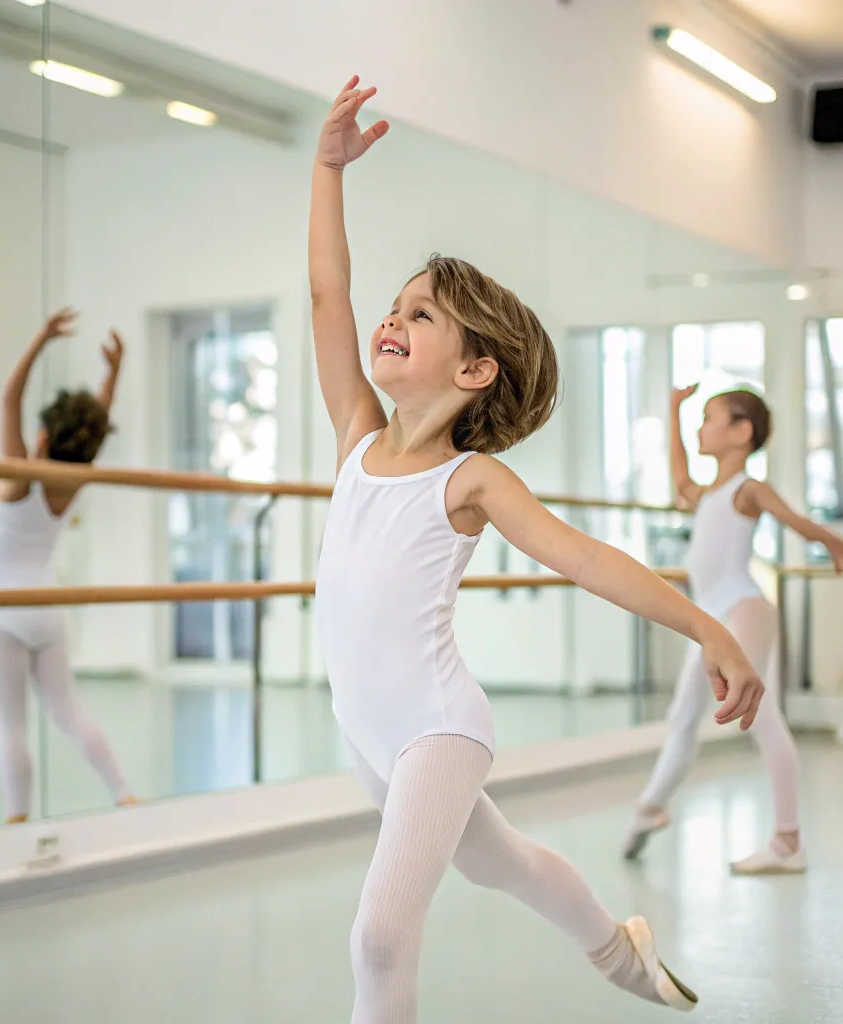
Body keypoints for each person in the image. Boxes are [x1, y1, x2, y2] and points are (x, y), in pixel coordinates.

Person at [310, 77, 766, 1021]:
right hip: (366, 729)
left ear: (476, 369)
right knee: (501, 863)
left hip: (437, 728)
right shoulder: (358, 434)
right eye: (395, 307)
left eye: (421, 315)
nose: (389, 320)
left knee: (379, 937)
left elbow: (589, 559)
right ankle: (617, 947)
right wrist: (327, 170)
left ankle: (613, 949)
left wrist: (708, 629)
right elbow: (327, 291)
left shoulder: (469, 482)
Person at [623, 384, 843, 874]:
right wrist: (675, 411)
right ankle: (651, 807)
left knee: (761, 716)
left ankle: (788, 842)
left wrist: (834, 543)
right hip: (710, 619)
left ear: (742, 432)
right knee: (683, 717)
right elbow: (680, 478)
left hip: (742, 608)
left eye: (709, 418)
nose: (703, 428)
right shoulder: (708, 494)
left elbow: (797, 521)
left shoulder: (749, 489)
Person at [0, 310, 134, 823]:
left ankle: (18, 818)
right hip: (49, 610)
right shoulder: (74, 477)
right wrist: (112, 375)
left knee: (11, 726)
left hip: (3, 614)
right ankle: (123, 793)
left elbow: (7, 398)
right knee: (68, 711)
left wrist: (40, 338)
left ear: (41, 437)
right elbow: (94, 426)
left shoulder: (21, 476)